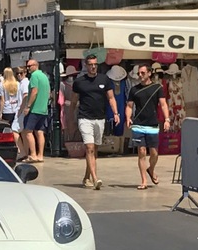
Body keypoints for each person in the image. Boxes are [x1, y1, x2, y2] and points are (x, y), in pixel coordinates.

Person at [71, 54, 120, 190]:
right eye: (91, 64)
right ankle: (95, 178)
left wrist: (116, 113)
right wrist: (70, 119)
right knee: (89, 148)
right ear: (86, 66)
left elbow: (111, 98)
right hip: (84, 118)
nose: (93, 67)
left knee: (95, 150)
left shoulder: (105, 79)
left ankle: (86, 177)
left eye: (95, 64)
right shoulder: (79, 82)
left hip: (100, 118)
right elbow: (74, 101)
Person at [125, 63, 170, 190]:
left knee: (154, 153)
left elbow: (163, 104)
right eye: (139, 73)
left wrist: (167, 119)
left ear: (149, 73)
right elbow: (129, 106)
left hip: (152, 124)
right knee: (141, 152)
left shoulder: (157, 88)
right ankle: (144, 180)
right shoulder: (134, 89)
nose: (140, 75)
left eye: (143, 73)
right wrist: (128, 118)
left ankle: (151, 169)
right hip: (138, 123)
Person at [22, 59, 51, 163]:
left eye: (30, 66)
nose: (28, 68)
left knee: (28, 131)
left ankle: (33, 155)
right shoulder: (44, 77)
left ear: (36, 66)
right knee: (40, 132)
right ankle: (40, 155)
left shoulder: (34, 76)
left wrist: (28, 106)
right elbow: (48, 92)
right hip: (43, 109)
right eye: (27, 66)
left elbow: (34, 91)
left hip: (35, 108)